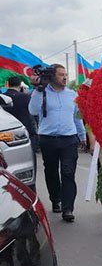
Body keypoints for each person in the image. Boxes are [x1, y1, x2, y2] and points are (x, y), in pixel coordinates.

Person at [28, 64, 86, 222]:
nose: (65, 77)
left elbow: (76, 117)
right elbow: (33, 111)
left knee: (68, 173)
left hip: (69, 139)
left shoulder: (72, 94)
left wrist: (82, 136)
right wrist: (39, 89)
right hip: (48, 139)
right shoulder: (41, 93)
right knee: (52, 172)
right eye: (61, 74)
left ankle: (68, 209)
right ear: (52, 76)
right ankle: (56, 199)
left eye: (65, 74)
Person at [4, 76, 38, 189]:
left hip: (6, 137)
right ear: (20, 85)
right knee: (28, 166)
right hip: (24, 135)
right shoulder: (25, 97)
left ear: (8, 84)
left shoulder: (4, 97)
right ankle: (31, 192)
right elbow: (33, 112)